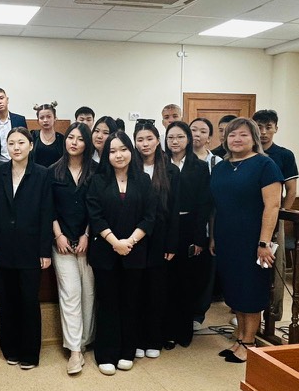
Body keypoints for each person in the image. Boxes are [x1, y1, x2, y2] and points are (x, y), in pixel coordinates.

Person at [210, 117, 282, 363]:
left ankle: (249, 343)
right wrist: (213, 236)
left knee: (251, 290)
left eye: (243, 134)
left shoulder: (265, 165)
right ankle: (240, 337)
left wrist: (264, 243)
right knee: (234, 290)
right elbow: (216, 206)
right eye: (232, 135)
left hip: (253, 240)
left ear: (253, 138)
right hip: (226, 237)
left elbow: (272, 206)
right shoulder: (221, 167)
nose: (237, 139)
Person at [86, 130, 157, 376]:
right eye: (113, 151)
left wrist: (130, 241)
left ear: (131, 151)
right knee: (108, 303)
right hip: (105, 251)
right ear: (106, 155)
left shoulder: (143, 180)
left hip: (135, 251)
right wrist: (115, 242)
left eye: (123, 149)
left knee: (130, 302)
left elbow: (150, 216)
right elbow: (95, 215)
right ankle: (106, 353)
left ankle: (127, 351)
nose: (119, 155)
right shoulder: (97, 180)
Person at [0, 128, 53, 370]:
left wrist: (45, 251)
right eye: (11, 143)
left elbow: (46, 213)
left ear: (31, 145)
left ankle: (30, 353)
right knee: (6, 300)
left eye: (21, 142)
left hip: (31, 248)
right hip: (2, 246)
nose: (16, 147)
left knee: (28, 301)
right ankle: (10, 349)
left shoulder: (42, 174)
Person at [48, 122, 97, 374]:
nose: (74, 142)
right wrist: (58, 235)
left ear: (87, 143)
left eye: (79, 138)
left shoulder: (96, 171)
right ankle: (75, 350)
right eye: (70, 137)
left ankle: (85, 341)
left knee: (88, 294)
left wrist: (87, 234)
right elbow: (48, 208)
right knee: (70, 293)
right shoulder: (53, 171)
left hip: (90, 242)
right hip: (62, 243)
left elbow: (98, 207)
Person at [164, 121, 213, 349]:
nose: (175, 141)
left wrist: (199, 238)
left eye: (180, 137)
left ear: (188, 139)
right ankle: (167, 332)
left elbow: (204, 204)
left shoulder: (200, 167)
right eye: (170, 137)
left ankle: (183, 331)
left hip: (189, 226)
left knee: (186, 281)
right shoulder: (161, 164)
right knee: (166, 281)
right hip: (165, 227)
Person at [133, 122, 179, 359]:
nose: (145, 144)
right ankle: (137, 339)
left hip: (161, 238)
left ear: (158, 140)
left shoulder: (170, 170)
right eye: (140, 140)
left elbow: (175, 210)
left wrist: (171, 243)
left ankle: (154, 338)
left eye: (149, 139)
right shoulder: (130, 168)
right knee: (137, 290)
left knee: (157, 291)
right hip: (136, 237)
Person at [252, 109, 299, 322]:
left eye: (268, 127)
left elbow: (291, 191)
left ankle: (272, 311)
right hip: (248, 218)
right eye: (259, 127)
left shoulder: (284, 155)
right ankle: (246, 309)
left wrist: (280, 218)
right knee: (249, 266)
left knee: (272, 265)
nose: (263, 132)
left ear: (276, 129)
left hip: (272, 217)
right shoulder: (246, 152)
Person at [189, 117, 223, 329]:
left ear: (209, 138)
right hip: (184, 225)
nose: (197, 134)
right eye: (193, 129)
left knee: (204, 273)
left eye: (203, 131)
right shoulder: (176, 159)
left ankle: (198, 314)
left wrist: (213, 234)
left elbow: (216, 201)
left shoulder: (216, 163)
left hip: (208, 224)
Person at [31, 102, 65, 168]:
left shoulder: (62, 139)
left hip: (57, 173)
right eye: (42, 118)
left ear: (55, 118)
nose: (45, 120)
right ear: (38, 120)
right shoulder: (32, 136)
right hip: (36, 173)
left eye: (49, 117)